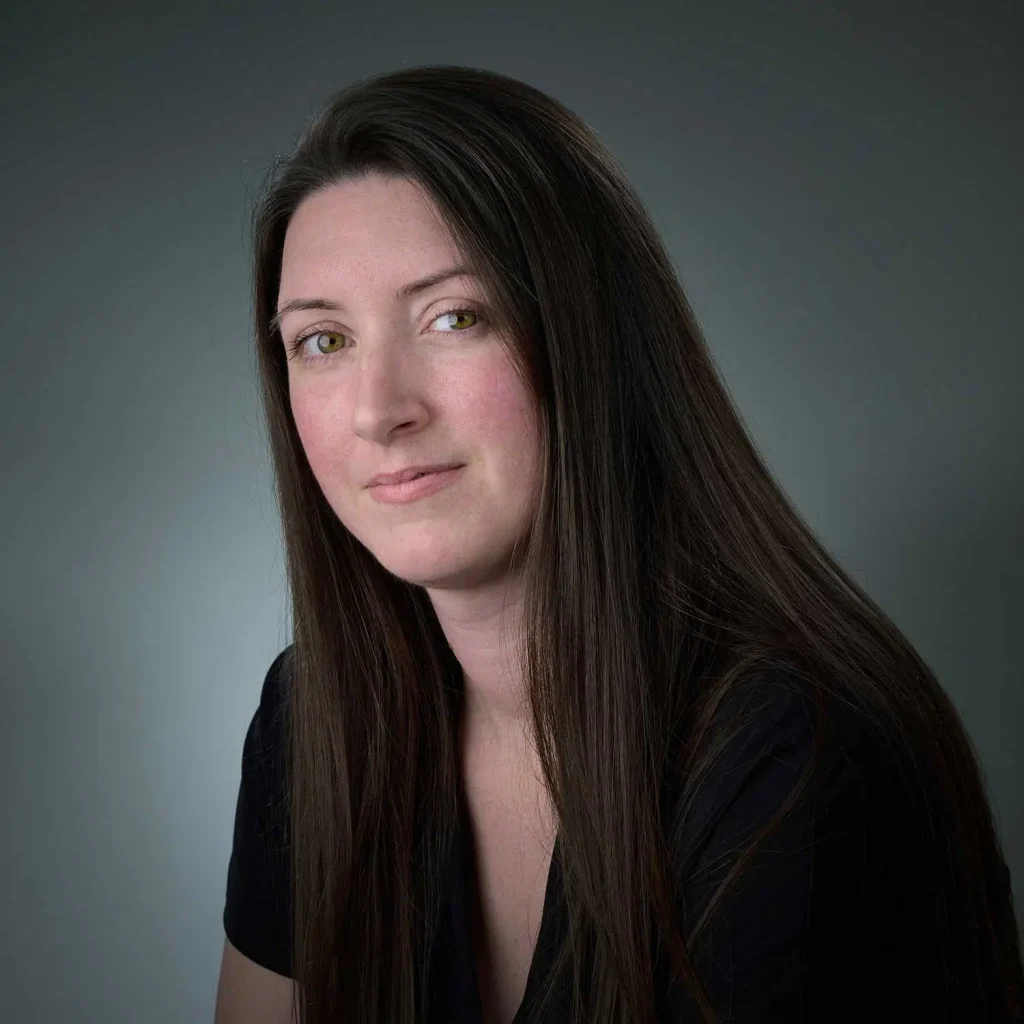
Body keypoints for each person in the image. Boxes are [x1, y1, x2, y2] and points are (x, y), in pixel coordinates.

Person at [213, 65, 1024, 1024]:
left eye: (455, 317)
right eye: (322, 341)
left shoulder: (798, 757)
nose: (380, 410)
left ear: (592, 339)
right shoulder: (315, 715)